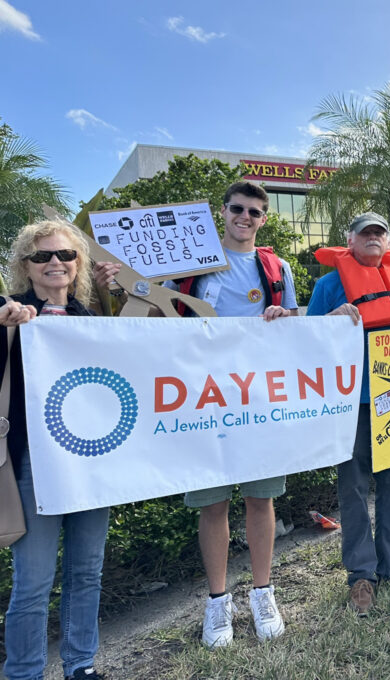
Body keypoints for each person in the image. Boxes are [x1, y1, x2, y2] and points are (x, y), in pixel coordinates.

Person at [99, 181, 298, 647]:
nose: (245, 217)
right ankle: (217, 602)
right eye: (237, 209)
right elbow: (148, 310)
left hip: (258, 399)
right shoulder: (188, 263)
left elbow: (293, 327)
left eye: (254, 211)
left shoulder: (278, 267)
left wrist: (282, 318)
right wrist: (117, 284)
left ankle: (263, 593)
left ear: (263, 218)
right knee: (212, 503)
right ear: (222, 212)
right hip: (201, 398)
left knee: (261, 499)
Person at [306, 212, 390, 616]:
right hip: (352, 402)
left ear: (388, 241)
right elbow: (306, 339)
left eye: (380, 233)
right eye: (366, 234)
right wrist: (331, 319)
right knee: (353, 486)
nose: (373, 239)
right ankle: (361, 575)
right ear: (350, 240)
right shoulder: (329, 285)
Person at [2, 220, 109, 680]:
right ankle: (23, 673)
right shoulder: (10, 312)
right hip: (32, 464)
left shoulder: (90, 318)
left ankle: (80, 666)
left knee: (87, 573)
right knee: (33, 582)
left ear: (77, 263)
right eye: (42, 256)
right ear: (25, 265)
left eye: (65, 255)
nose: (54, 263)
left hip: (92, 465)